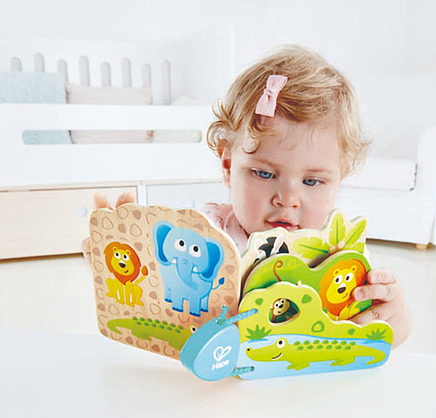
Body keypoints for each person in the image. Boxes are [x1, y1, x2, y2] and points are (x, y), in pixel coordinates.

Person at [82, 45, 411, 347]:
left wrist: (393, 316)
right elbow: (159, 295)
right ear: (228, 165)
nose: (287, 199)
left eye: (312, 181)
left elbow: (374, 338)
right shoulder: (206, 234)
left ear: (341, 177)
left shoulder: (339, 253)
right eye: (265, 174)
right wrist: (120, 256)